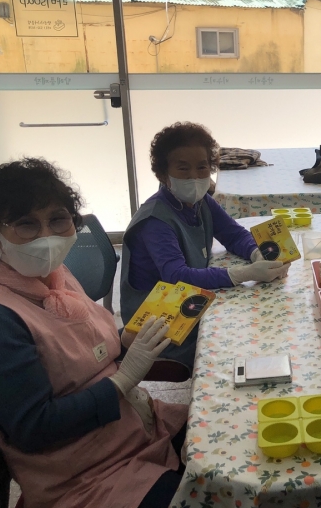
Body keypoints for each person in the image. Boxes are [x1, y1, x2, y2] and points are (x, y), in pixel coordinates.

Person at [0, 158, 188, 508]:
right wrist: (121, 381)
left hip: (138, 429)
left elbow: (82, 352)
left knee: (238, 442)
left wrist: (125, 340)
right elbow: (36, 428)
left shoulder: (57, 276)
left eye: (58, 219)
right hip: (86, 478)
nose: (46, 236)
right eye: (25, 224)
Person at [121, 122, 289, 368]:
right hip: (157, 322)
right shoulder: (155, 221)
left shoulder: (200, 202)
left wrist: (256, 253)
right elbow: (177, 277)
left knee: (264, 321)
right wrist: (243, 274)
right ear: (163, 174)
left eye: (202, 167)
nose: (194, 177)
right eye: (183, 169)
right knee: (231, 345)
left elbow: (233, 234)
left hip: (189, 301)